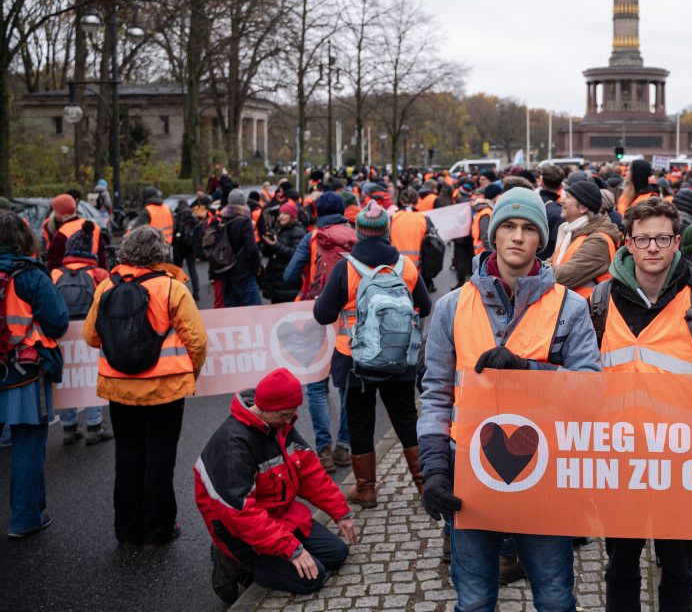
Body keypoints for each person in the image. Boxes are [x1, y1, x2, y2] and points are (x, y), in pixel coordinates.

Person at [418, 187, 600, 610]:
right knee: (475, 598)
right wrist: (434, 469)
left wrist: (529, 372)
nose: (517, 236)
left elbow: (591, 391)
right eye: (508, 227)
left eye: (528, 229)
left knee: (555, 598)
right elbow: (437, 395)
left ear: (542, 240)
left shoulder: (569, 307)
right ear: (494, 236)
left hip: (545, 475)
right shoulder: (451, 307)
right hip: (469, 472)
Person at [593, 199, 692, 612]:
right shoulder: (602, 297)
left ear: (676, 242)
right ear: (627, 243)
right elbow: (576, 366)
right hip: (620, 457)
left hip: (680, 459)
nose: (652, 248)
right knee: (621, 566)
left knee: (678, 569)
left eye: (661, 239)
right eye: (643, 239)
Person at [82, 226, 207, 545]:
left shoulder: (107, 286)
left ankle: (127, 529)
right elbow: (197, 339)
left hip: (118, 386)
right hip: (166, 388)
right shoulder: (172, 287)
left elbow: (90, 336)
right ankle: (160, 527)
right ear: (159, 254)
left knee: (127, 454)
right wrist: (189, 373)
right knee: (161, 456)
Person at [196, 368, 357, 602]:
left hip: (278, 515)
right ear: (264, 407)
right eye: (284, 414)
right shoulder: (234, 446)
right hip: (237, 530)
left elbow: (309, 472)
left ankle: (275, 557)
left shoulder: (278, 424)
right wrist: (292, 549)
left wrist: (340, 512)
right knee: (314, 578)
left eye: (292, 413)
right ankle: (233, 562)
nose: (290, 420)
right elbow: (243, 516)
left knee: (337, 553)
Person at [313, 201, 433, 507]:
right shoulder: (406, 267)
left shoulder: (345, 268)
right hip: (399, 359)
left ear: (359, 234)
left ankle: (365, 489)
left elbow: (323, 314)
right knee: (406, 419)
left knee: (360, 422)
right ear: (387, 231)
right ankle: (424, 486)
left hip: (354, 361)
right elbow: (426, 307)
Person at [0, 212, 69, 539]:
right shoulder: (30, 275)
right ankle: (25, 519)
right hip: (22, 373)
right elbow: (57, 323)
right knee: (27, 445)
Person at [52, 222, 113, 445]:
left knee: (66, 379)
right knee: (90, 376)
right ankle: (94, 426)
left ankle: (69, 428)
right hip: (90, 332)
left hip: (61, 333)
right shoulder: (97, 273)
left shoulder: (56, 273)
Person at [550, 178, 621, 301]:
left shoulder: (599, 241)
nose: (562, 201)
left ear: (583, 208)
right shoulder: (573, 232)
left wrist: (528, 268)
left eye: (567, 197)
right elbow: (553, 262)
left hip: (587, 315)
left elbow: (563, 276)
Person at [214, 189, 263, 307]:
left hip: (227, 270)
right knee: (255, 310)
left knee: (232, 311)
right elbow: (252, 248)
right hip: (244, 272)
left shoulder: (222, 218)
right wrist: (257, 266)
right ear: (243, 203)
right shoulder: (244, 221)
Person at [42, 193, 105, 270]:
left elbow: (55, 265)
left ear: (59, 213)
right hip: (94, 274)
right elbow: (102, 259)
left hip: (71, 278)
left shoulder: (61, 234)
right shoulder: (94, 227)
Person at [260, 201, 306, 304]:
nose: (281, 216)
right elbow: (266, 254)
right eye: (280, 213)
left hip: (287, 283)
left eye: (285, 214)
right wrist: (267, 243)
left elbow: (294, 254)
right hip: (275, 282)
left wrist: (275, 245)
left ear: (292, 216)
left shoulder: (299, 231)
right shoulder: (278, 229)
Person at [537, 165, 565, 260]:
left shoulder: (528, 203)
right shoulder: (559, 212)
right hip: (546, 266)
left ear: (541, 182)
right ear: (560, 186)